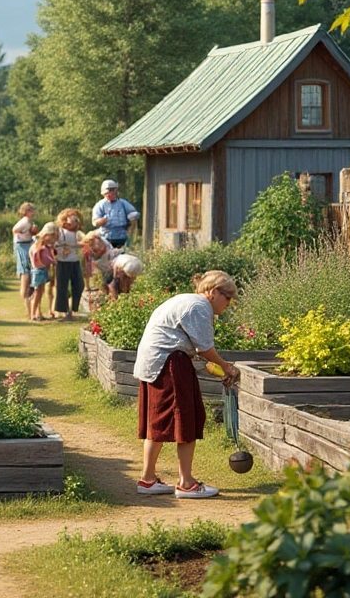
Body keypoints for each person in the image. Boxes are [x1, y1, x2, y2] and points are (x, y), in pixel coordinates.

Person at [133, 270, 241, 499]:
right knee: (187, 419)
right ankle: (187, 483)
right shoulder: (200, 307)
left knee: (158, 421)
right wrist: (227, 367)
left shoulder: (186, 300)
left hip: (155, 362)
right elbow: (204, 348)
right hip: (170, 363)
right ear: (213, 292)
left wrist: (215, 367)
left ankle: (148, 480)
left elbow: (194, 348)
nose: (229, 303)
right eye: (227, 297)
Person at [54, 208, 85, 320]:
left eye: (75, 217)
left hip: (75, 260)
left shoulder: (78, 232)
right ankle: (62, 310)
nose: (73, 219)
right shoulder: (60, 231)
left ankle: (74, 309)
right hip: (62, 261)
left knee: (79, 285)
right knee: (62, 287)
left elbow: (85, 242)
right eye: (71, 216)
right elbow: (54, 243)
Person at [92, 179, 141, 250]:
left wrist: (132, 216)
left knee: (123, 256)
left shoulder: (123, 203)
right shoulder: (100, 205)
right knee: (108, 257)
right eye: (107, 193)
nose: (109, 194)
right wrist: (103, 220)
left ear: (115, 191)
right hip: (106, 238)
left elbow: (134, 213)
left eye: (112, 191)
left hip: (122, 237)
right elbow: (94, 222)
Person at [29, 222, 59, 322]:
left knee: (40, 292)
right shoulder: (39, 246)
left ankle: (36, 313)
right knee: (38, 292)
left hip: (40, 270)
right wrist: (53, 261)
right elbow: (40, 256)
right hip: (39, 270)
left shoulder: (43, 245)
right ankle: (33, 314)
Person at [13, 202, 38, 319]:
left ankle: (29, 307)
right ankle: (27, 304)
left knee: (27, 272)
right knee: (25, 272)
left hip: (26, 244)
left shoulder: (28, 221)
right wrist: (25, 233)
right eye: (31, 210)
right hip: (22, 246)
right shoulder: (24, 221)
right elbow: (15, 230)